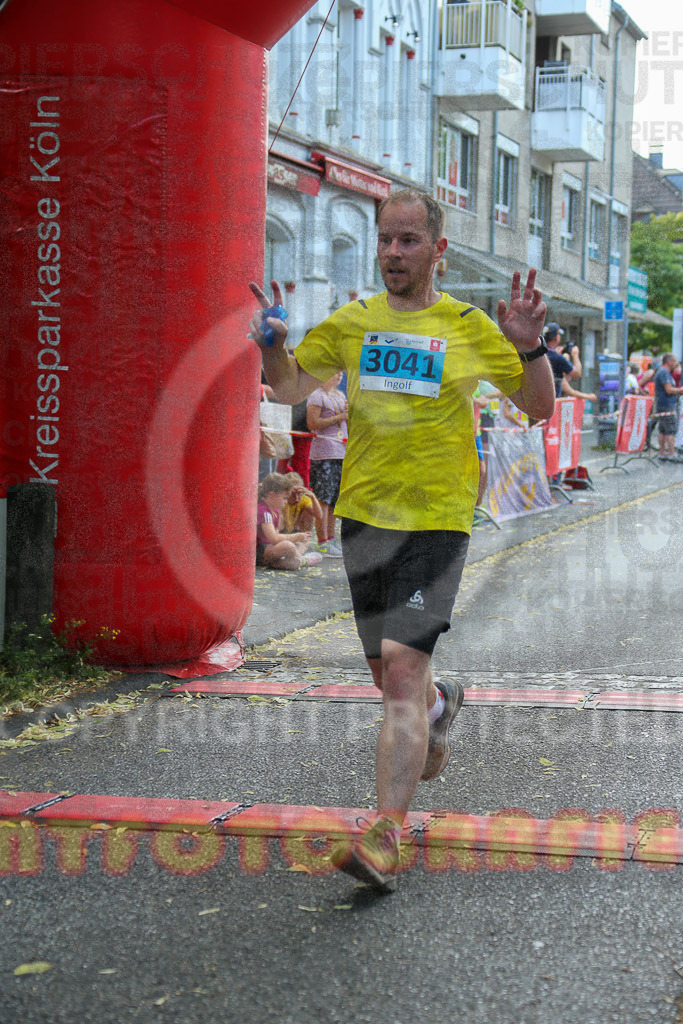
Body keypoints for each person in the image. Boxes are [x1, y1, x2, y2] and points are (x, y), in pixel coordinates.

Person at [248, 188, 554, 892]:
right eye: (386, 239)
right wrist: (272, 347)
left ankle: (384, 835)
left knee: (401, 668)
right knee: (392, 682)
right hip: (363, 516)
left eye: (407, 240)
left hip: (438, 517)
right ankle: (441, 706)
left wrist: (528, 346)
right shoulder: (353, 321)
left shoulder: (468, 325)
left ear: (436, 250)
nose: (391, 252)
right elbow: (292, 386)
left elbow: (537, 408)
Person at [306, 372, 348, 557]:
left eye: (340, 372)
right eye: (334, 371)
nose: (338, 375)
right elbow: (312, 423)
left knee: (333, 499)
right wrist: (340, 417)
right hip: (324, 452)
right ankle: (322, 540)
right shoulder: (317, 395)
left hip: (341, 451)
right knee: (323, 497)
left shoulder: (340, 395)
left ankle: (331, 538)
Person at [256, 473, 322, 570]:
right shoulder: (264, 511)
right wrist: (296, 536)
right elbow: (274, 538)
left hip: (270, 548)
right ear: (272, 495)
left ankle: (284, 562)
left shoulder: (274, 509)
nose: (285, 501)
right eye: (284, 498)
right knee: (288, 545)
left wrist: (312, 496)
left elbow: (319, 515)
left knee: (301, 542)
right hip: (260, 552)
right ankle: (301, 560)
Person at [654, 353, 683, 459]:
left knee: (662, 430)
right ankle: (671, 454)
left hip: (662, 405)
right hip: (668, 406)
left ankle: (662, 453)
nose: (676, 363)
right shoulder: (664, 373)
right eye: (674, 361)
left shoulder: (661, 372)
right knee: (670, 430)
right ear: (669, 361)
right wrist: (680, 390)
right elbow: (669, 390)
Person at [281, 472, 324, 539]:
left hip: (293, 531)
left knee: (310, 513)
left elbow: (319, 516)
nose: (296, 498)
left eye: (299, 494)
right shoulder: (281, 499)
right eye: (293, 495)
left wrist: (313, 497)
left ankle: (302, 538)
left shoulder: (303, 498)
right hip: (280, 533)